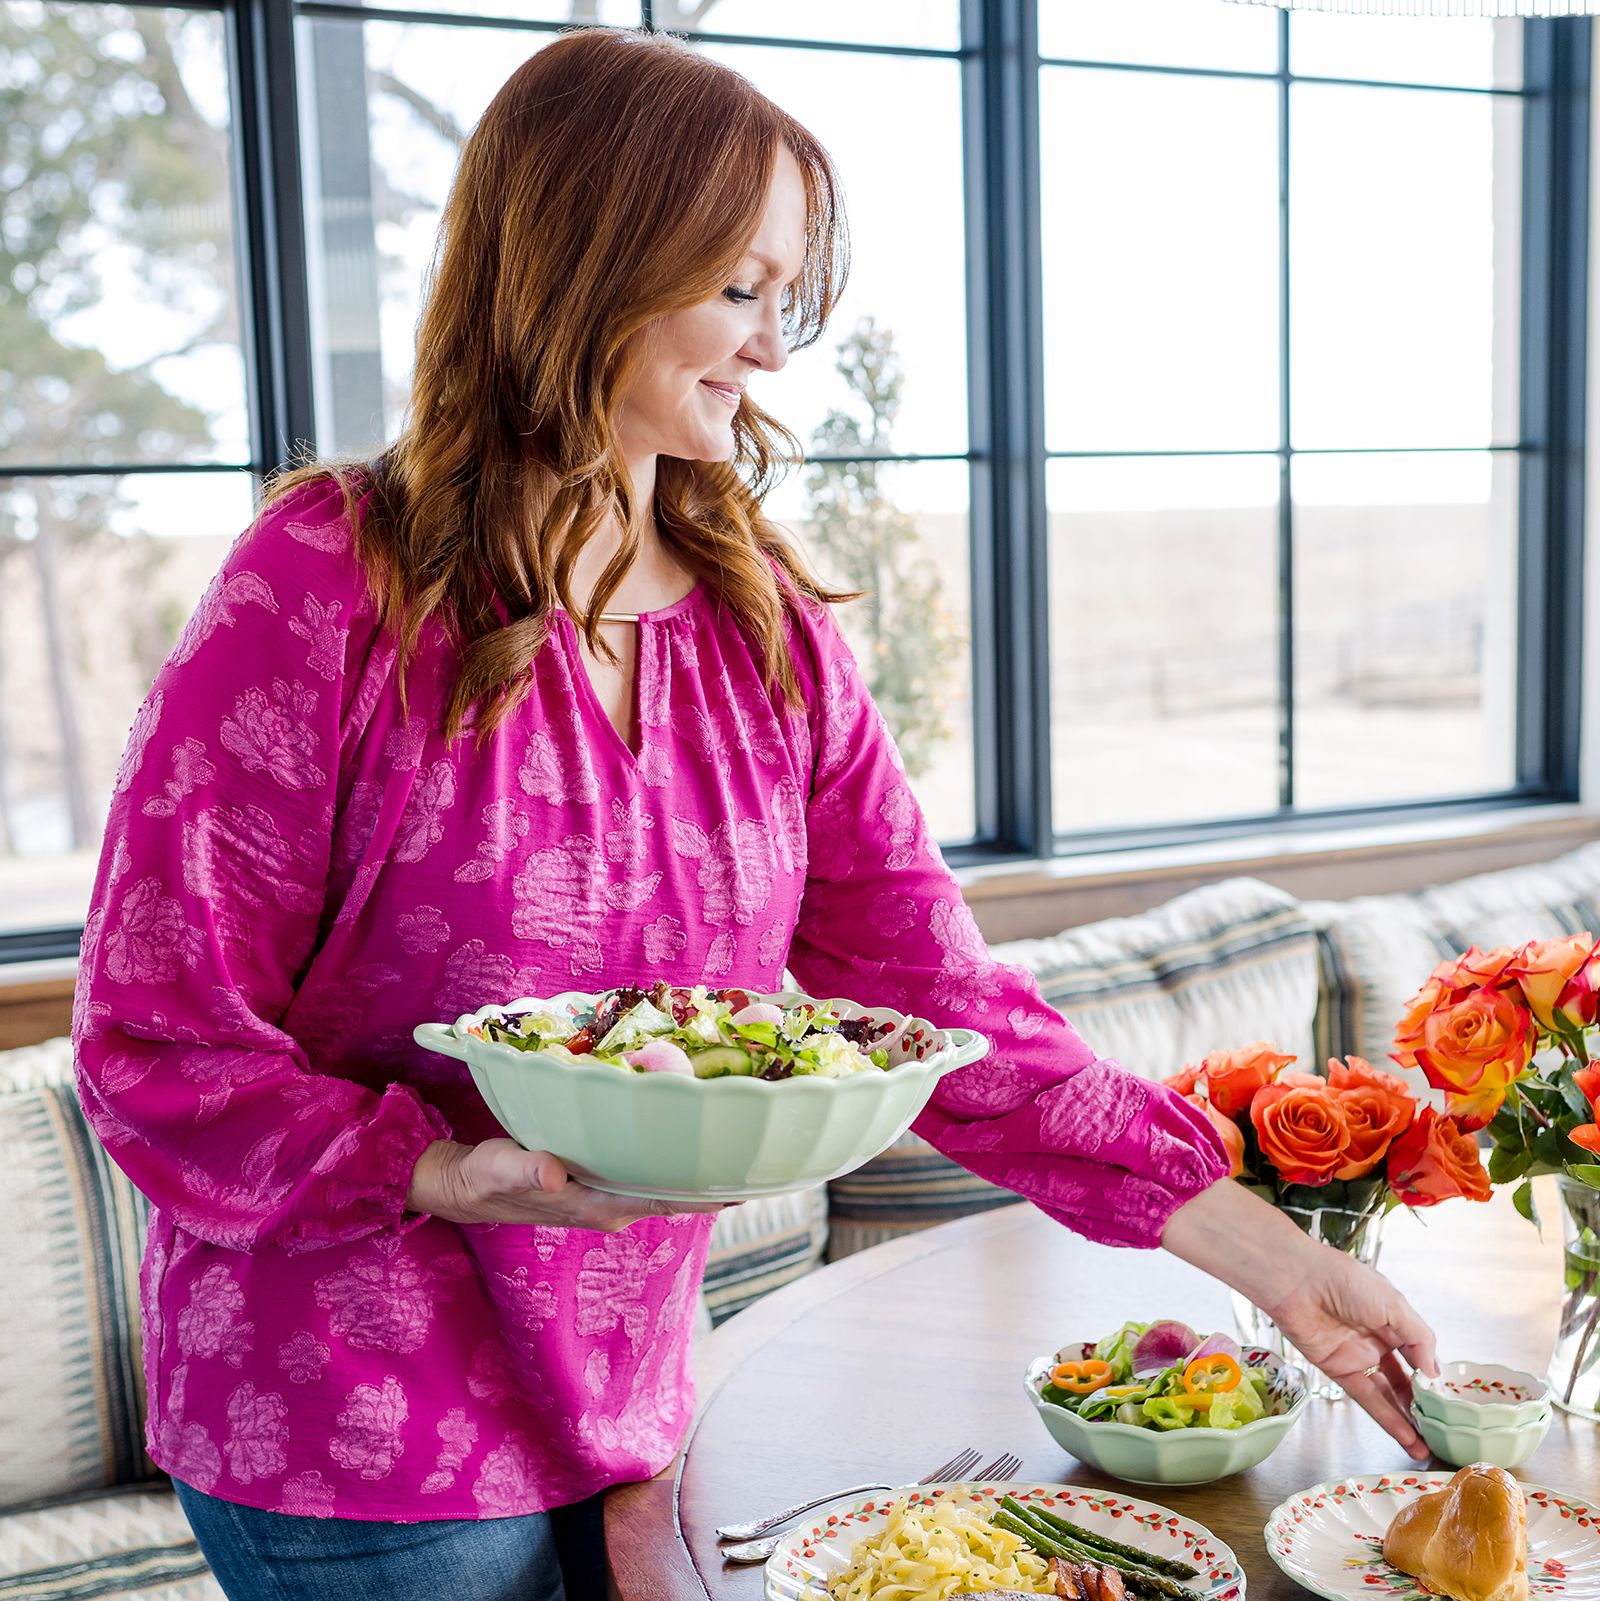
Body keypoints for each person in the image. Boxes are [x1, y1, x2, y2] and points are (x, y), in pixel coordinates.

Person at [72, 26, 1439, 1601]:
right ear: (589, 264)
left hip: (638, 1382)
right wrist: (444, 1167)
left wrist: (1278, 1261)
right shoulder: (326, 582)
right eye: (738, 289)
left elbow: (933, 1005)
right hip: (356, 1419)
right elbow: (155, 1039)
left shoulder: (763, 625)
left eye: (785, 295)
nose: (773, 351)